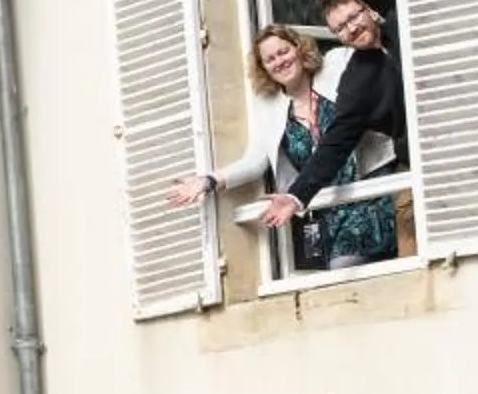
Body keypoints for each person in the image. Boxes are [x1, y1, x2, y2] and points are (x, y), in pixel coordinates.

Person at [169, 25, 396, 272]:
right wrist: (210, 181)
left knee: (366, 271)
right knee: (343, 274)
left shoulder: (335, 66)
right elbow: (255, 160)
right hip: (330, 210)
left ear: (299, 49)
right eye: (270, 59)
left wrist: (361, 16)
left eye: (283, 51)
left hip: (375, 192)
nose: (280, 61)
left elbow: (373, 55)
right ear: (264, 68)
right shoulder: (269, 108)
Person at [258, 0, 407, 262]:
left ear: (368, 11)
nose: (351, 28)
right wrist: (295, 197)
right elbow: (336, 141)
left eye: (354, 17)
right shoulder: (357, 79)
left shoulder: (404, 26)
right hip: (414, 169)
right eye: (341, 28)